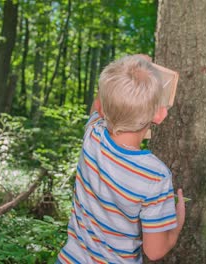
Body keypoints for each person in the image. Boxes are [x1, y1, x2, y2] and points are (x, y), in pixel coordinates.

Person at [57, 54, 185, 263]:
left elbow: (98, 104)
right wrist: (176, 227)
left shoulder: (93, 137)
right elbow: (155, 251)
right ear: (160, 114)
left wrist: (127, 63)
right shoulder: (155, 175)